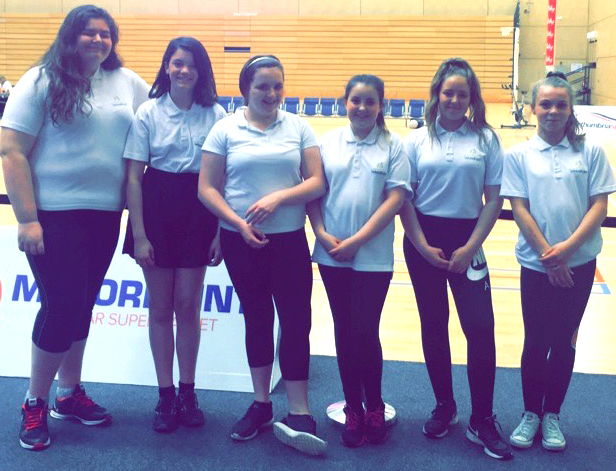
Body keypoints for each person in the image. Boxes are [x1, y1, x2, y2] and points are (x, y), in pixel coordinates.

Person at [0, 4, 149, 451]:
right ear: (71, 36)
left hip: (104, 216)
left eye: (106, 34)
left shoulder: (127, 83)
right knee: (62, 306)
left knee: (81, 306)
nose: (99, 41)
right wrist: (27, 219)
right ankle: (34, 401)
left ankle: (68, 395)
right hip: (52, 218)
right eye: (90, 33)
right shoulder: (41, 79)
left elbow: (165, 114)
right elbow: (11, 151)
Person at [198, 55, 327, 455]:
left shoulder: (299, 126)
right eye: (262, 87)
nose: (271, 94)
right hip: (241, 240)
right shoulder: (224, 129)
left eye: (277, 86)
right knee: (256, 318)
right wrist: (237, 224)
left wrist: (278, 198)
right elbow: (207, 188)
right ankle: (261, 404)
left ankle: (300, 410)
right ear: (245, 89)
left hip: (289, 241)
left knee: (295, 321)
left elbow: (317, 182)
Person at [399, 58, 512, 460]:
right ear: (436, 94)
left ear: (471, 99)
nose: (454, 99)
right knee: (434, 324)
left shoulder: (486, 139)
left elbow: (494, 200)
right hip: (423, 241)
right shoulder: (414, 140)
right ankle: (445, 406)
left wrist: (470, 248)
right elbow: (404, 200)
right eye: (448, 92)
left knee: (481, 327)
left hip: (468, 240)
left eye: (462, 94)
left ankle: (482, 418)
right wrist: (422, 245)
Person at [501, 72, 616, 451]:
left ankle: (553, 414)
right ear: (533, 108)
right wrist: (550, 258)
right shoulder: (518, 154)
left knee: (564, 342)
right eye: (545, 104)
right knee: (535, 342)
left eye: (560, 104)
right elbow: (520, 208)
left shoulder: (591, 152)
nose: (552, 111)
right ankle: (531, 412)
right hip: (536, 265)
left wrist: (566, 251)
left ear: (570, 109)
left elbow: (599, 205)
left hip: (579, 264)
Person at [122, 37, 226, 433]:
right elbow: (134, 177)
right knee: (161, 308)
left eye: (191, 65)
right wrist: (140, 234)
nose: (184, 70)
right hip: (157, 208)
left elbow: (221, 177)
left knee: (188, 307)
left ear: (201, 72)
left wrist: (219, 230)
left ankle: (188, 391)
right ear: (166, 66)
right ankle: (165, 395)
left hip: (199, 209)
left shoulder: (215, 113)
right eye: (176, 63)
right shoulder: (148, 112)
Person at [307, 74, 410, 447]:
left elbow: (395, 200)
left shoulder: (393, 145)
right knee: (344, 331)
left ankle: (375, 405)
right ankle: (353, 408)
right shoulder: (328, 141)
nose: (362, 107)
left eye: (370, 101)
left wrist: (358, 241)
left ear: (381, 105)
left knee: (365, 330)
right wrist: (320, 232)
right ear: (344, 102)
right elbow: (314, 192)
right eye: (355, 100)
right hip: (332, 253)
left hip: (373, 257)